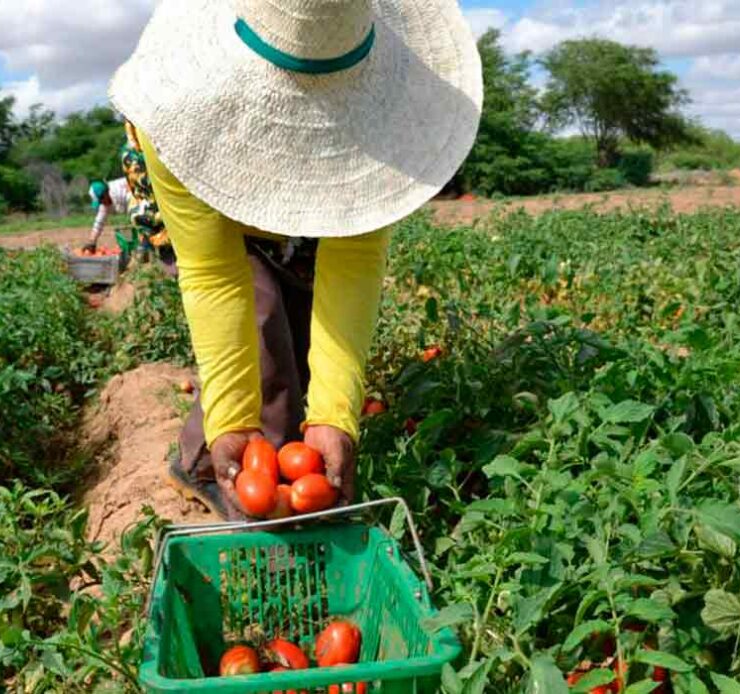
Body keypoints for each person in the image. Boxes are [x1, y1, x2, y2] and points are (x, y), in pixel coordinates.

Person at [109, 0, 483, 519]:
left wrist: (335, 416)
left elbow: (353, 255)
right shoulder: (177, 112)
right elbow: (214, 275)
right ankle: (214, 468)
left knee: (304, 329)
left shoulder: (376, 130)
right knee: (267, 341)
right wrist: (236, 423)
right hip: (193, 192)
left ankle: (247, 454)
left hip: (304, 216)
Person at [84, 123, 171, 267]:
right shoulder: (106, 203)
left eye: (102, 200)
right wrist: (91, 241)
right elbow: (99, 222)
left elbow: (140, 203)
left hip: (148, 202)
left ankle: (153, 258)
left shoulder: (120, 189)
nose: (103, 204)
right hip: (141, 214)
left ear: (106, 193)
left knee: (151, 235)